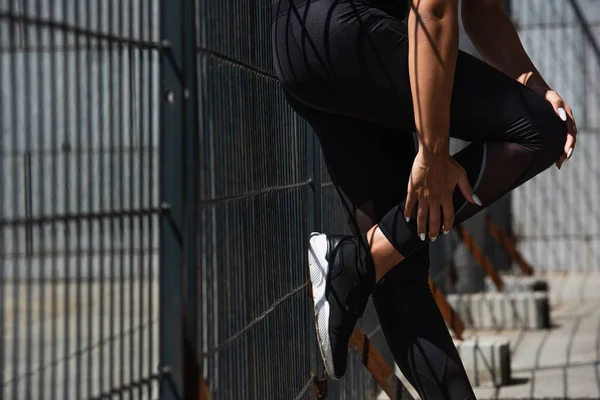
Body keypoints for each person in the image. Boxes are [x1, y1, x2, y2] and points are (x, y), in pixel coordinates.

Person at [271, 0, 576, 398]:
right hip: (343, 34)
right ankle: (356, 263)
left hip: (303, 44)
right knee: (540, 129)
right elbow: (434, 10)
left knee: (398, 275)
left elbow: (481, 11)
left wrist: (533, 81)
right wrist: (433, 154)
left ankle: (363, 261)